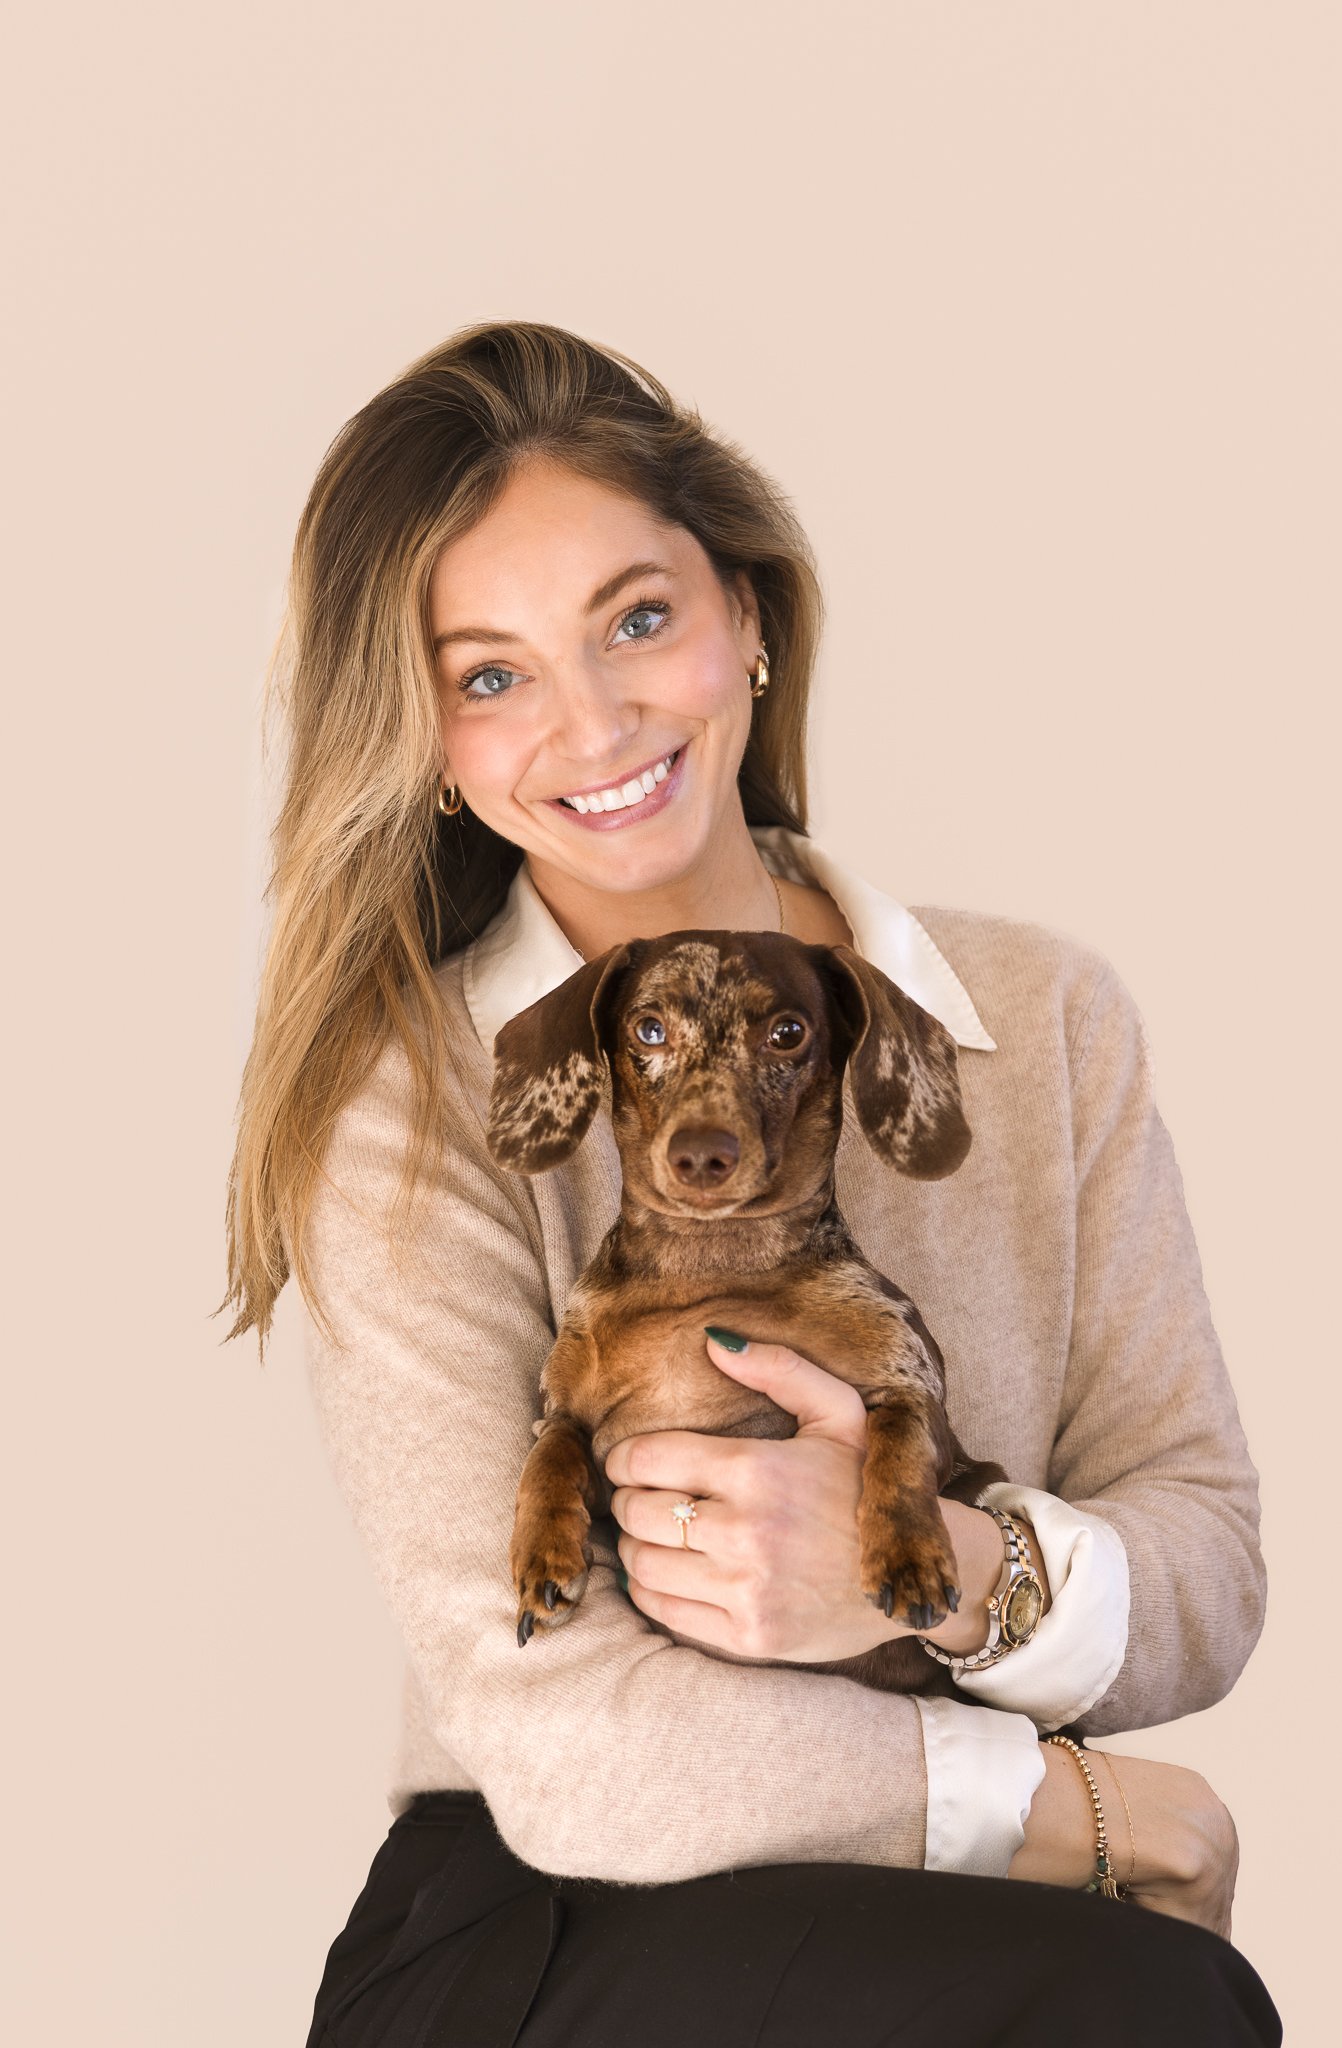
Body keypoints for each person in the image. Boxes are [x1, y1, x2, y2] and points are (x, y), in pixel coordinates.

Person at [221, 320, 1282, 2046]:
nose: (594, 720)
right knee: (1134, 2003)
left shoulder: (1042, 1021)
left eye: (640, 618)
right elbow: (553, 1729)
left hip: (942, 1931)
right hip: (545, 1918)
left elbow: (1205, 1560)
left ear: (752, 623)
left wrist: (928, 1561)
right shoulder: (408, 1116)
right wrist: (1070, 1815)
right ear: (427, 743)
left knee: (1140, 1999)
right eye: (490, 675)